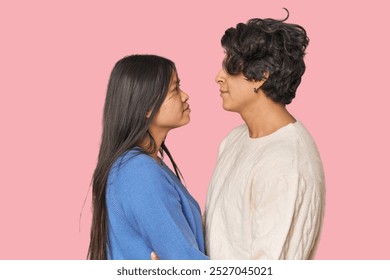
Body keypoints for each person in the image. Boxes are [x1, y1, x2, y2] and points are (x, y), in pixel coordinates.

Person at [204, 11, 326, 259]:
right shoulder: (233, 140)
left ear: (261, 77)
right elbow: (215, 238)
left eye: (231, 67)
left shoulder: (286, 162)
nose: (218, 77)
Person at [88, 54, 208, 260]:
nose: (185, 95)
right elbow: (185, 261)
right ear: (147, 108)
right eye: (175, 89)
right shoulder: (139, 172)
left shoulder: (141, 165)